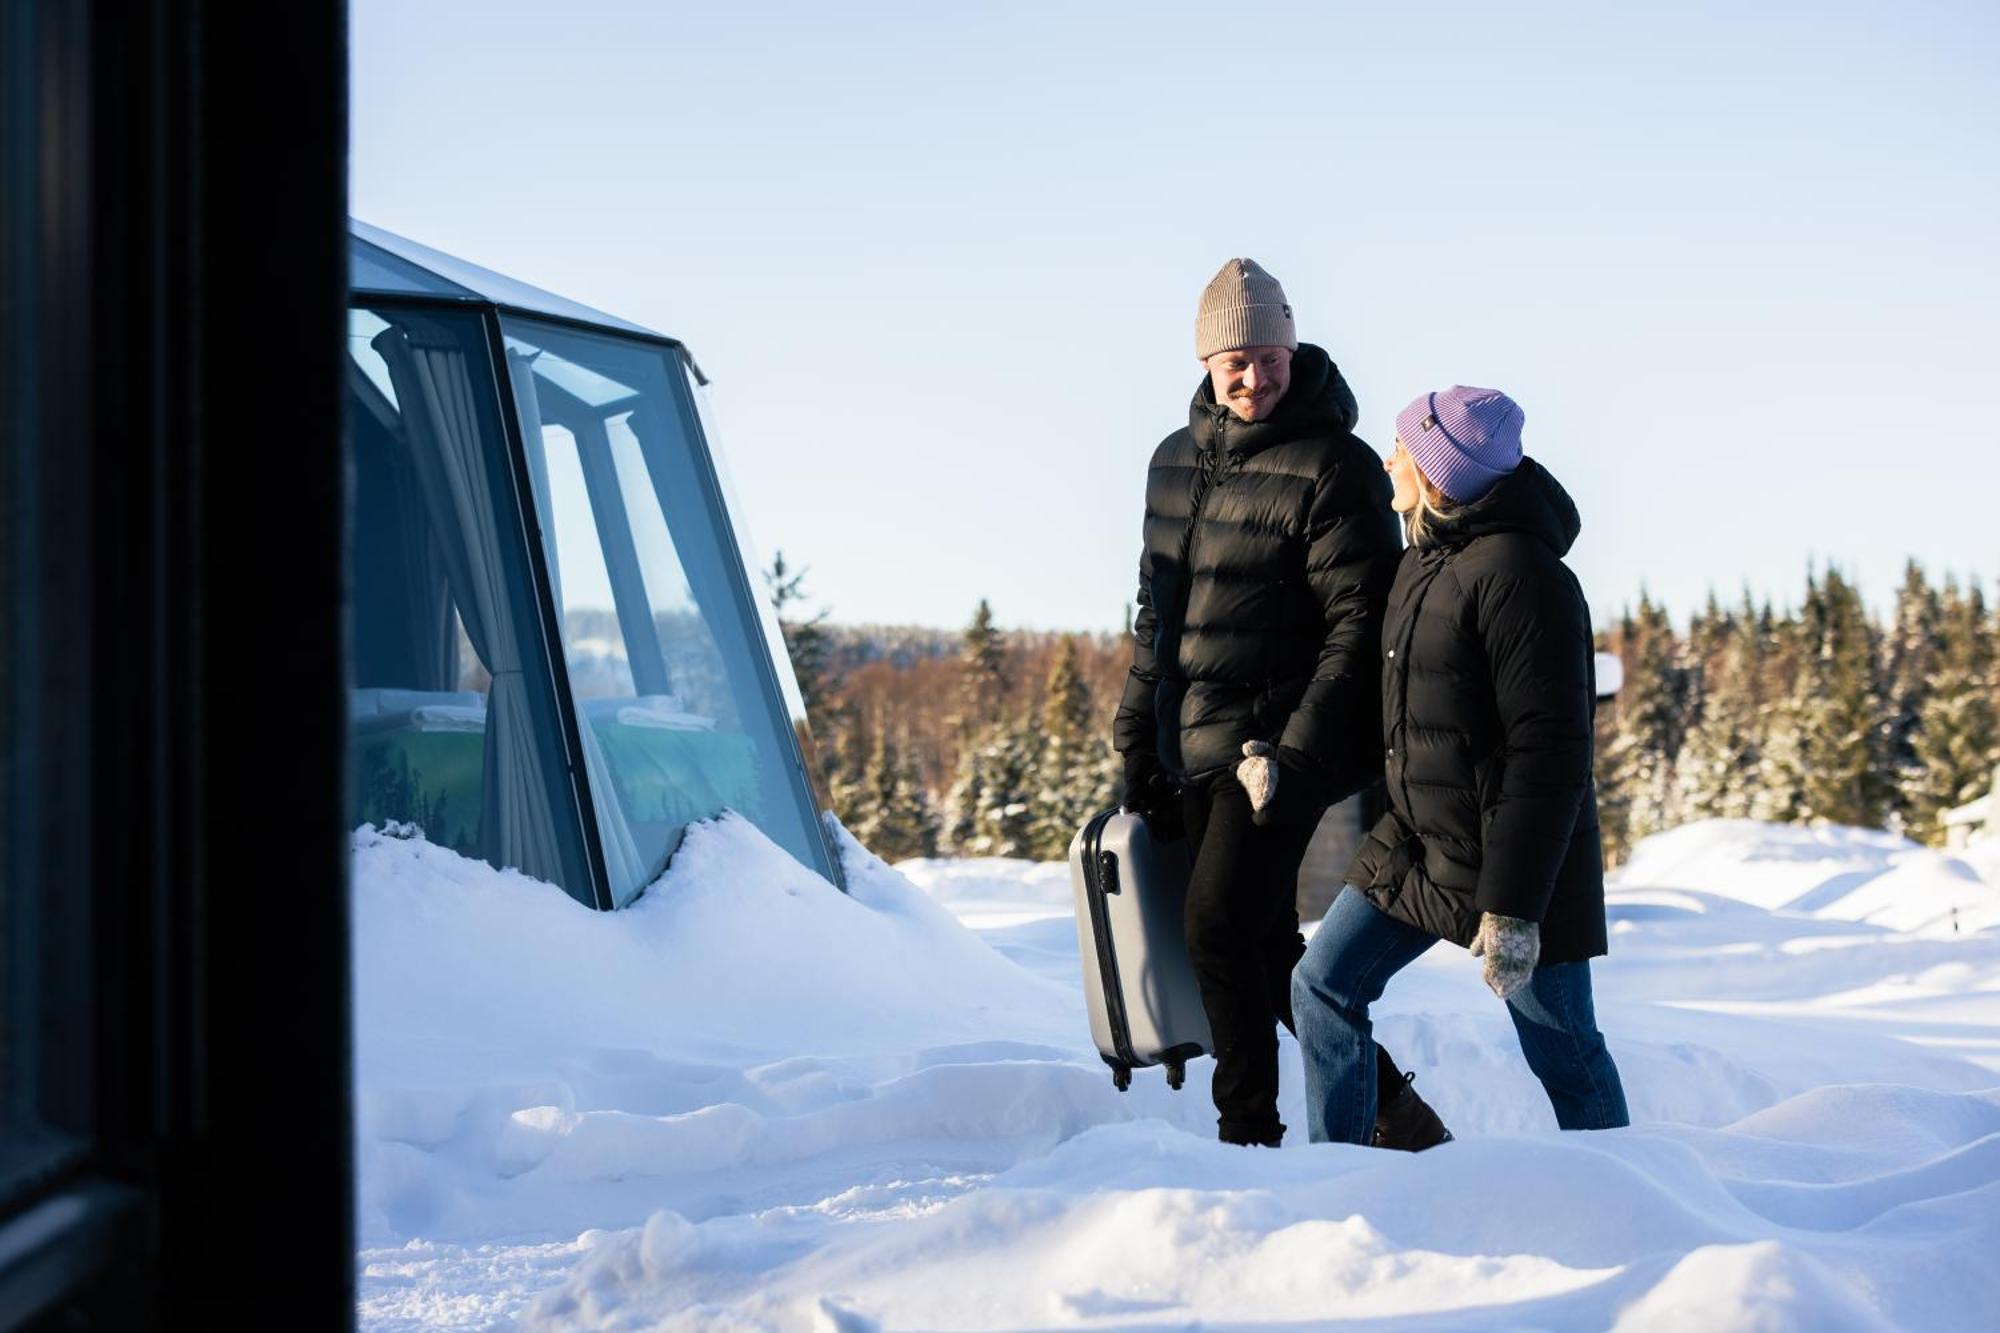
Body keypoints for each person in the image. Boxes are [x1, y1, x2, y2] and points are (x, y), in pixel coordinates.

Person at [1113, 258, 1448, 1149]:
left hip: (1279, 745)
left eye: (1270, 356)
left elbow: (1358, 626)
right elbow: (1159, 611)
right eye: (1236, 362)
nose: (1255, 377)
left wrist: (1294, 757)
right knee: (1262, 950)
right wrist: (1136, 740)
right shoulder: (1172, 462)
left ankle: (1249, 1137)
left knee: (1217, 927)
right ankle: (1395, 1113)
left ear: (1293, 350)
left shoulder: (1336, 464)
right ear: (1206, 364)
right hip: (1193, 738)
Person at [1291, 385, 1629, 1145]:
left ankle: (1630, 1194)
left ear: (1441, 470)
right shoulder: (1424, 561)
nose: (1388, 459)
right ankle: (1340, 1177)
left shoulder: (1524, 577)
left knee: (1565, 1050)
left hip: (1519, 866)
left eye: (1402, 447)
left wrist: (1513, 907)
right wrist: (1284, 749)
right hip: (1423, 845)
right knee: (1321, 985)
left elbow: (1550, 755)